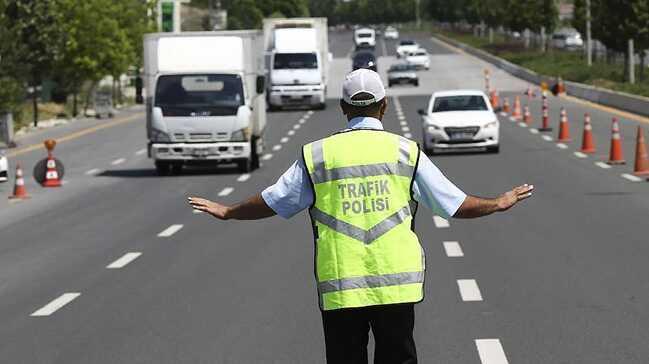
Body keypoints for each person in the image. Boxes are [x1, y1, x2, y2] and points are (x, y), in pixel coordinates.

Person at [188, 69, 534, 364]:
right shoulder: (405, 151)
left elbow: (274, 201)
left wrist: (229, 211)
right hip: (396, 286)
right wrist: (498, 202)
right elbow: (454, 204)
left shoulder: (318, 155)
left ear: (343, 108)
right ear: (383, 107)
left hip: (341, 285)